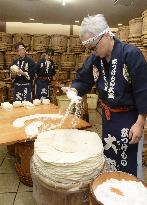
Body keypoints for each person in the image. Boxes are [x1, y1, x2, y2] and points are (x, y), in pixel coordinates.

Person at [62, 14, 147, 177]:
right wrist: (74, 90)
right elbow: (83, 79)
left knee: (129, 163)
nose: (93, 51)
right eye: (90, 49)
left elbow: (143, 89)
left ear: (107, 34)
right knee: (110, 158)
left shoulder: (131, 54)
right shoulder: (95, 59)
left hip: (129, 119)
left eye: (95, 46)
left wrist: (140, 122)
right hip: (108, 118)